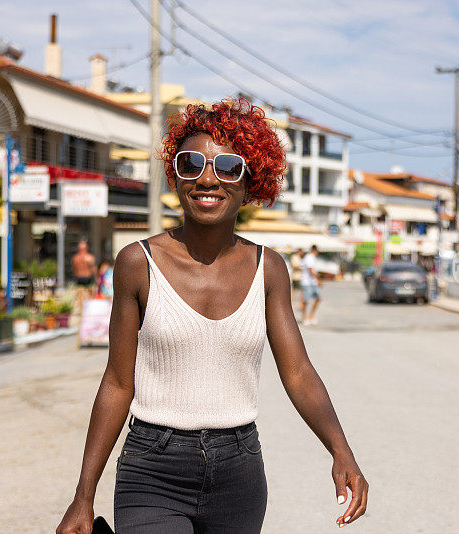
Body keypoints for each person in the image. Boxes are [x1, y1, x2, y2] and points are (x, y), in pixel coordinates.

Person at [56, 99, 367, 534]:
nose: (207, 178)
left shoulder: (269, 269)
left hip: (239, 472)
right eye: (192, 164)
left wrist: (341, 450)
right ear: (175, 176)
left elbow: (296, 371)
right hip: (152, 468)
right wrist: (83, 496)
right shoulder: (136, 263)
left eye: (227, 166)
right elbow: (117, 382)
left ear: (249, 182)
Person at [300, 245, 322, 326]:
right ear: (315, 250)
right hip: (307, 282)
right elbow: (310, 271)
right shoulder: (309, 257)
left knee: (318, 299)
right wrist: (318, 280)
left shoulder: (312, 258)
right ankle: (304, 318)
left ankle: (311, 316)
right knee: (306, 301)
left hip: (312, 282)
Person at [72, 240, 97, 309]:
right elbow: (94, 269)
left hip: (79, 278)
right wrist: (96, 279)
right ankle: (88, 308)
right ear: (86, 248)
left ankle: (81, 309)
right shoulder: (90, 258)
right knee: (90, 295)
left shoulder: (75, 258)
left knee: (80, 295)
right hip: (88, 278)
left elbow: (74, 269)